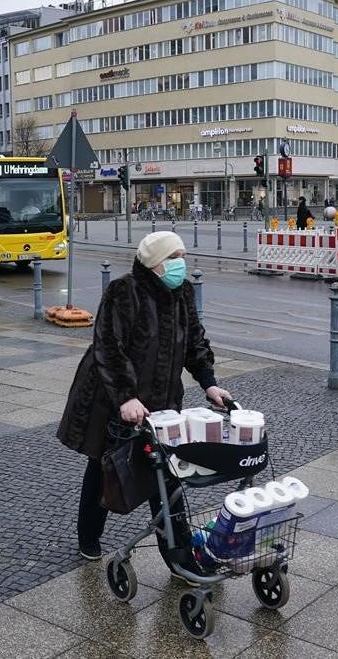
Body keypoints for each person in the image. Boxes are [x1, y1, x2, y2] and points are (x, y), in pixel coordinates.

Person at [58, 231, 231, 570]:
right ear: (155, 264)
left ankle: (179, 555)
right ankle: (89, 537)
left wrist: (209, 383)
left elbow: (194, 341)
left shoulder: (180, 292)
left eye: (182, 256)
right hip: (111, 397)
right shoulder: (124, 291)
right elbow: (109, 346)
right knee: (106, 467)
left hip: (163, 398)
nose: (181, 263)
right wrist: (126, 397)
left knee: (165, 473)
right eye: (174, 257)